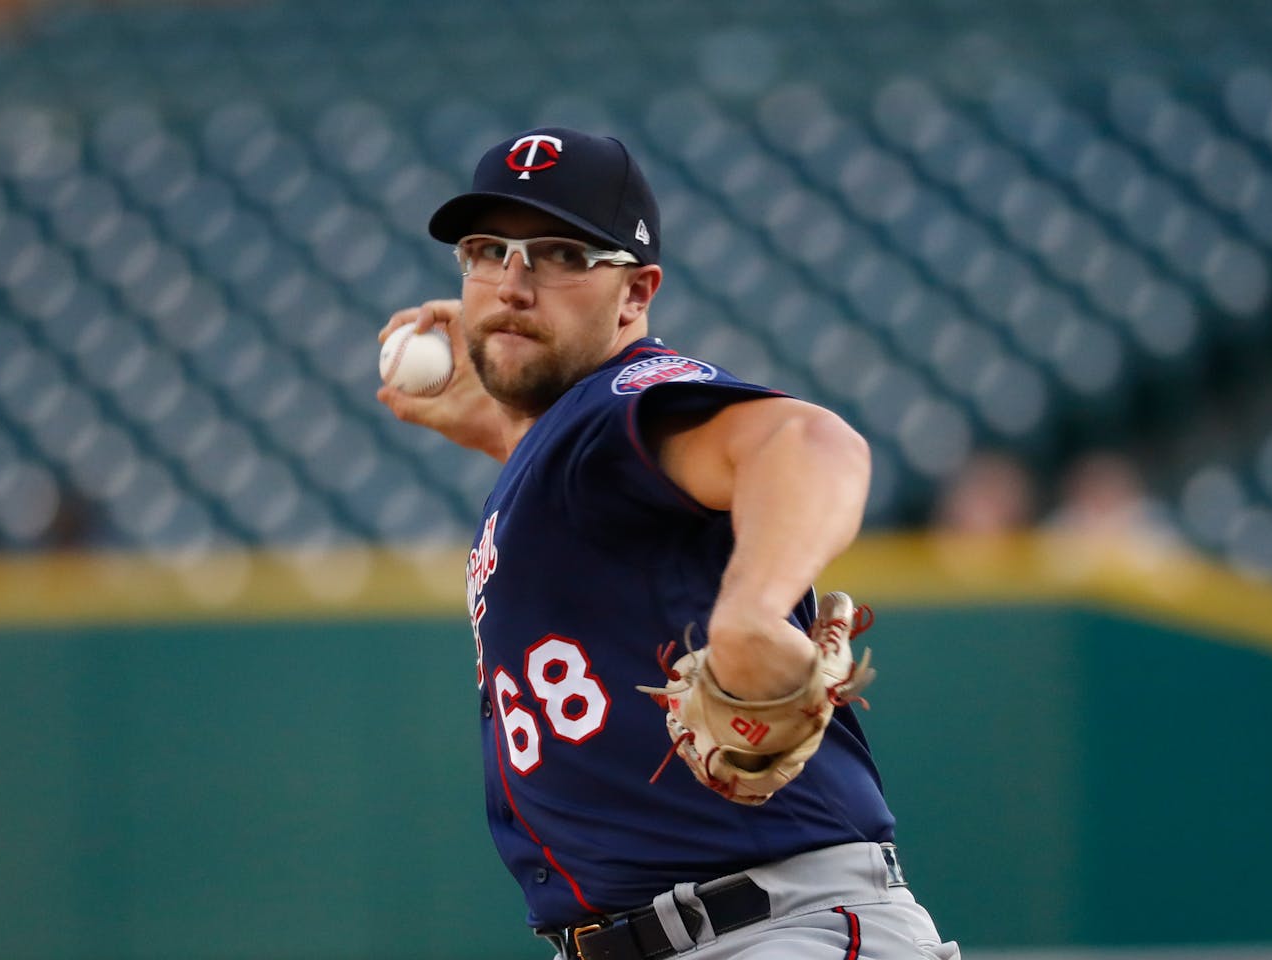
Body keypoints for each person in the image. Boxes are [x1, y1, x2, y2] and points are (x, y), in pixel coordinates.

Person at [377, 127, 959, 960]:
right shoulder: (570, 449)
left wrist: (752, 614)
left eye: (561, 254)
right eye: (485, 251)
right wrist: (511, 433)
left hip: (767, 934)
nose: (513, 283)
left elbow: (809, 441)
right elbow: (604, 510)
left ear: (635, 293)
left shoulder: (626, 397)